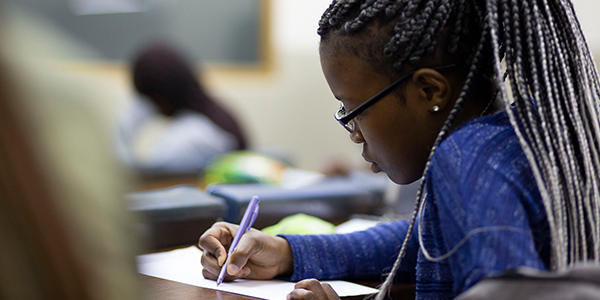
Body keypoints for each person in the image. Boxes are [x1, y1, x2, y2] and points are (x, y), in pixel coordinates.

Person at [198, 1, 600, 299]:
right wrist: (288, 251)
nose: (353, 132)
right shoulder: (542, 136)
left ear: (429, 91)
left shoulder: (468, 158)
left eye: (352, 109)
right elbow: (424, 239)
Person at [114, 42, 247, 174]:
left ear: (162, 97)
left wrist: (129, 121)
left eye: (152, 100)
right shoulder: (216, 115)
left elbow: (132, 174)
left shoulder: (191, 137)